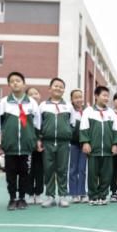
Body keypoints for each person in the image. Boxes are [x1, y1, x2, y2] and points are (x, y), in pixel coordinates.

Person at [0, 72, 41, 210]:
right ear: (9, 85)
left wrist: (36, 140)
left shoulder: (32, 103)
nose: (15, 83)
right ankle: (12, 198)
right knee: (10, 174)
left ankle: (22, 198)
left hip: (26, 146)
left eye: (18, 80)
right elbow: (0, 124)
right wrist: (3, 141)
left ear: (24, 84)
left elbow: (37, 124)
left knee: (24, 174)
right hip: (10, 146)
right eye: (12, 81)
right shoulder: (4, 102)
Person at [79, 85, 117, 205]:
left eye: (108, 96)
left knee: (106, 175)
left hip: (108, 150)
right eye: (104, 95)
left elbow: (115, 130)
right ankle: (93, 196)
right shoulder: (88, 111)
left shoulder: (111, 112)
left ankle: (103, 195)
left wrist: (115, 144)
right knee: (92, 174)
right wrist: (85, 142)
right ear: (96, 96)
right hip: (93, 150)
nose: (107, 98)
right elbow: (83, 128)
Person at [38, 77, 74, 208]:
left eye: (61, 86)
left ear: (64, 90)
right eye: (55, 86)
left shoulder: (68, 106)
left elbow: (72, 124)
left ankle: (63, 196)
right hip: (47, 142)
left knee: (62, 170)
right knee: (48, 170)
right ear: (49, 88)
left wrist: (67, 135)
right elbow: (38, 124)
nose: (58, 88)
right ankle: (50, 196)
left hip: (63, 143)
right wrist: (40, 140)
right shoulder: (42, 106)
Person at [68, 88, 88, 203]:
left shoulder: (87, 111)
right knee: (73, 169)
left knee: (83, 169)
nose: (79, 99)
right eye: (76, 97)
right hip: (73, 144)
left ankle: (82, 192)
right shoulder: (69, 111)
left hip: (84, 145)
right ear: (71, 99)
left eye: (80, 97)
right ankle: (74, 193)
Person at [26, 86, 44, 203]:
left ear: (40, 96)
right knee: (29, 169)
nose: (34, 96)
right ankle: (29, 193)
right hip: (29, 144)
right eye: (31, 94)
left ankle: (38, 194)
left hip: (42, 144)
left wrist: (41, 139)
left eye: (36, 93)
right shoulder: (25, 110)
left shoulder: (43, 109)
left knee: (40, 170)